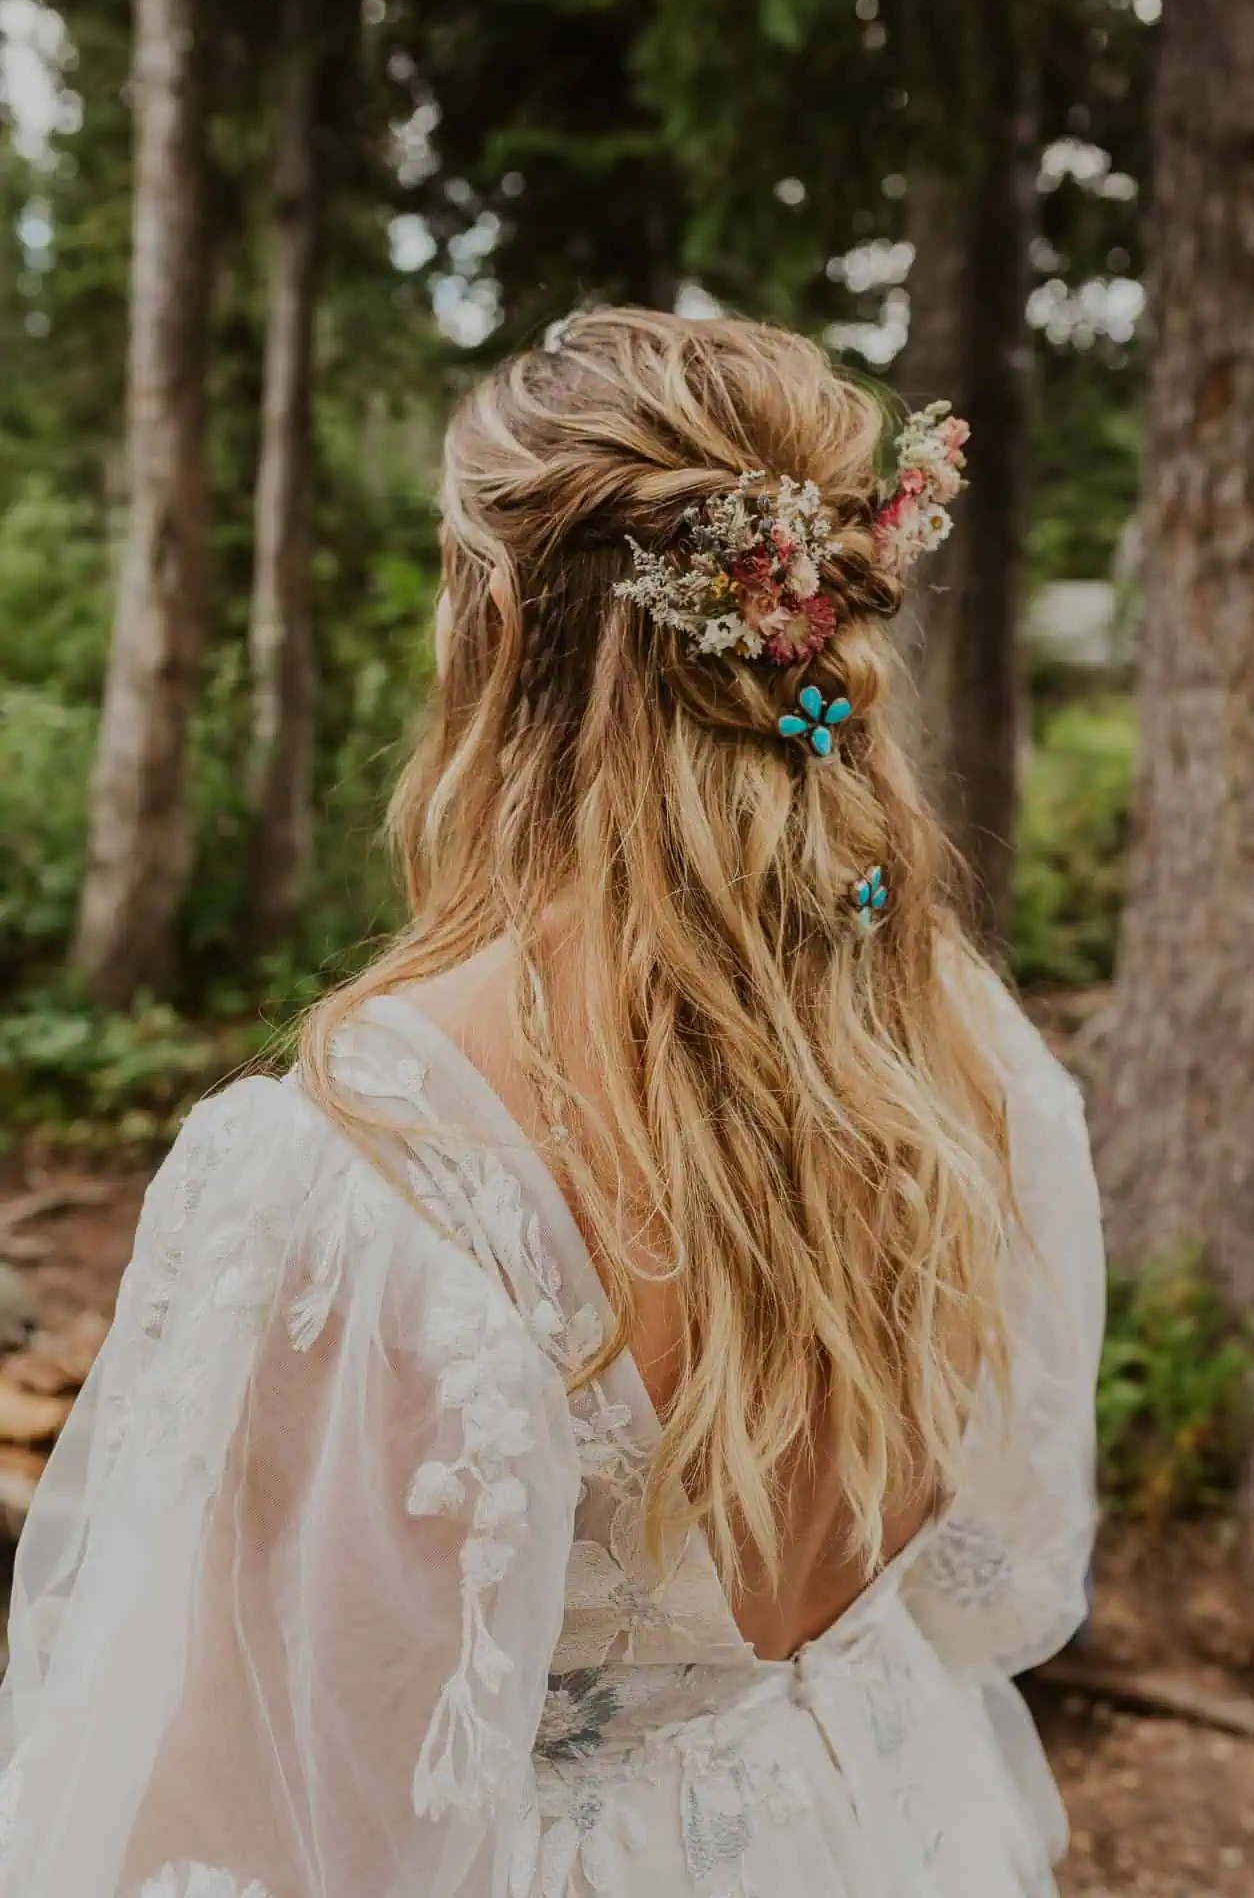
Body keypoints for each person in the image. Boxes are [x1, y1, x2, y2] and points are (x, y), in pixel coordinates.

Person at [0, 309, 1103, 1898]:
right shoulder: (962, 1056)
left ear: (497, 622)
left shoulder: (367, 1171)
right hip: (884, 1827)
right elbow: (997, 1591)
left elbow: (248, 1807)